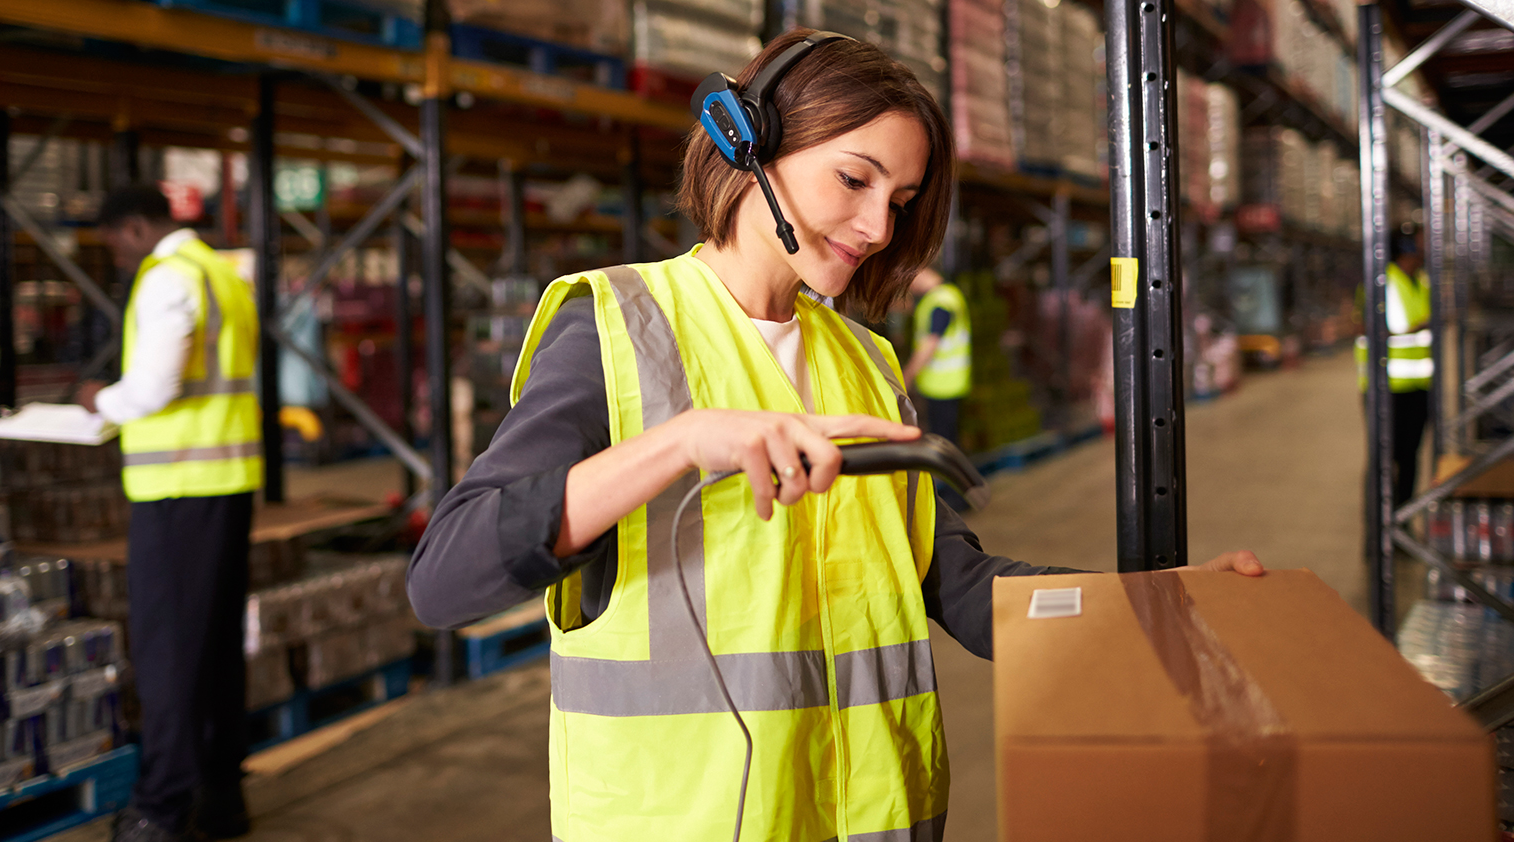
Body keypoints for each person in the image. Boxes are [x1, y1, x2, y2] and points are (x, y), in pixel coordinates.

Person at [406, 31, 1263, 842]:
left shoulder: (868, 364)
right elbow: (445, 580)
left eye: (901, 201)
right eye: (854, 179)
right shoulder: (620, 329)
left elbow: (958, 585)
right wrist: (679, 442)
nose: (879, 228)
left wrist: (1155, 611)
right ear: (747, 144)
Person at [77, 186, 262, 842]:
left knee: (170, 655)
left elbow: (156, 385)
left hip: (179, 488)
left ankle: (161, 807)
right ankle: (221, 797)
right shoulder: (223, 274)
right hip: (228, 481)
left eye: (114, 245)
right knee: (214, 647)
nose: (117, 259)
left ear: (133, 227)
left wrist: (102, 401)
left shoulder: (169, 277)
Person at [1356, 227, 1432, 505]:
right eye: (1421, 242)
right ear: (1406, 248)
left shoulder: (1423, 280)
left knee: (1410, 455)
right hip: (1385, 386)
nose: (1427, 247)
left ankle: (1404, 517)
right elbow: (1369, 327)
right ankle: (1379, 524)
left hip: (1419, 385)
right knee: (1384, 458)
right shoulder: (1380, 281)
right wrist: (1419, 326)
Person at [903, 266, 972, 509]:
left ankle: (957, 498)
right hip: (947, 383)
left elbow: (931, 342)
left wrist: (907, 375)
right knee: (949, 441)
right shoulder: (947, 295)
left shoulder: (941, 301)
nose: (910, 285)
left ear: (921, 271)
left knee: (945, 444)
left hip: (944, 385)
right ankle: (960, 494)